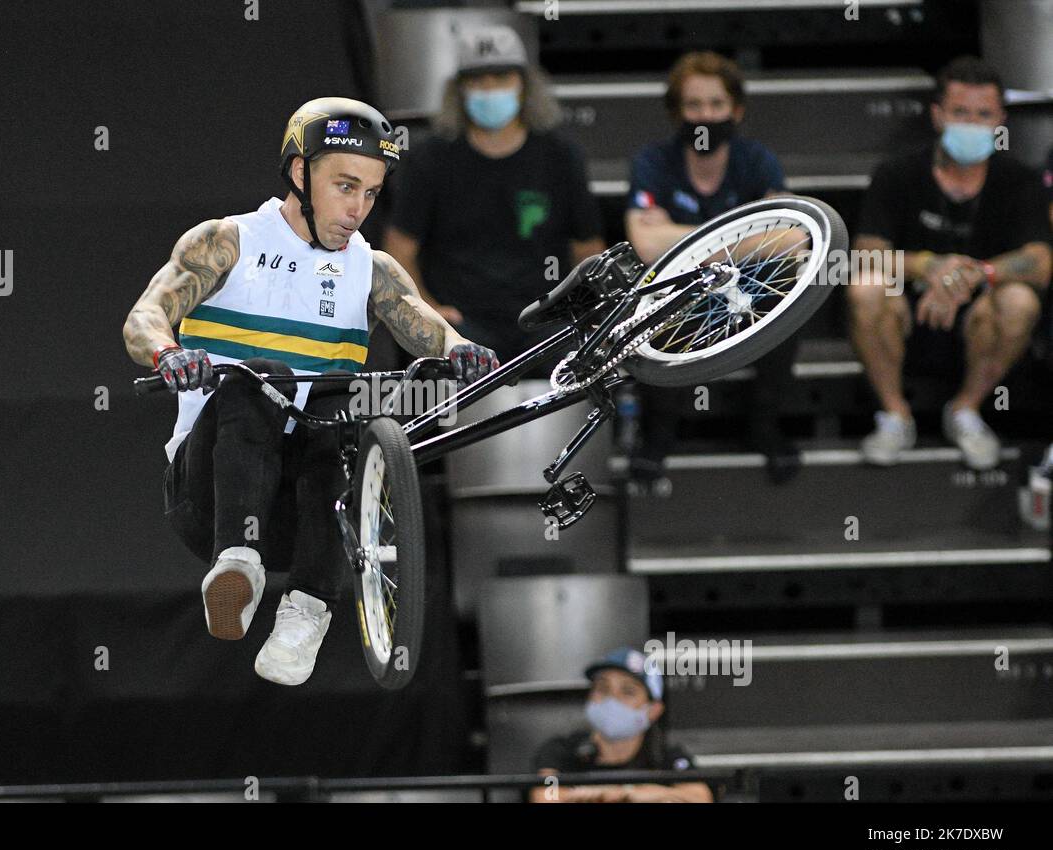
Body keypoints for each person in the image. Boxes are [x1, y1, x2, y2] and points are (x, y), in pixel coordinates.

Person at [122, 97, 500, 686]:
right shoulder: (227, 242)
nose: (358, 210)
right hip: (213, 495)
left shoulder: (371, 270)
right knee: (264, 377)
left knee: (339, 404)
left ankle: (305, 615)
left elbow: (423, 324)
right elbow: (145, 315)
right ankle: (236, 568)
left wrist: (458, 352)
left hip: (304, 506)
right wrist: (169, 353)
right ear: (300, 173)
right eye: (345, 187)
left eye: (371, 194)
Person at [849, 56, 1052, 470]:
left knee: (1020, 301)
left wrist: (974, 272)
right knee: (866, 287)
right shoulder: (898, 173)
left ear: (1000, 120)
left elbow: (1039, 261)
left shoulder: (1019, 181)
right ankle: (894, 415)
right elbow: (864, 253)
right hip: (907, 313)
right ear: (938, 115)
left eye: (983, 114)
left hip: (980, 318)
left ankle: (965, 409)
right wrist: (928, 266)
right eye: (960, 113)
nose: (972, 123)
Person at [624, 51, 798, 483]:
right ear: (676, 112)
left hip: (748, 293)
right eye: (694, 106)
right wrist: (746, 235)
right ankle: (659, 433)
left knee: (792, 280)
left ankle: (765, 425)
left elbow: (793, 238)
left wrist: (684, 236)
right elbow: (645, 245)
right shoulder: (653, 162)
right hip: (681, 292)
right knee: (647, 294)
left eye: (717, 105)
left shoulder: (756, 161)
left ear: (736, 111)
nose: (706, 116)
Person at [384, 24, 606, 363]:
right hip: (461, 322)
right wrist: (431, 313)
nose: (489, 89)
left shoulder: (561, 157)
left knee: (587, 356)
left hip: (545, 320)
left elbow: (587, 251)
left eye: (501, 77)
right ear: (459, 90)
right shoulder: (431, 158)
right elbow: (399, 253)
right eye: (477, 80)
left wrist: (580, 314)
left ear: (524, 85)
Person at [530, 647, 713, 803]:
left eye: (628, 691)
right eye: (603, 688)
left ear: (653, 710)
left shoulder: (666, 758)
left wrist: (627, 793)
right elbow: (547, 795)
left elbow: (700, 796)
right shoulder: (559, 751)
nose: (612, 699)